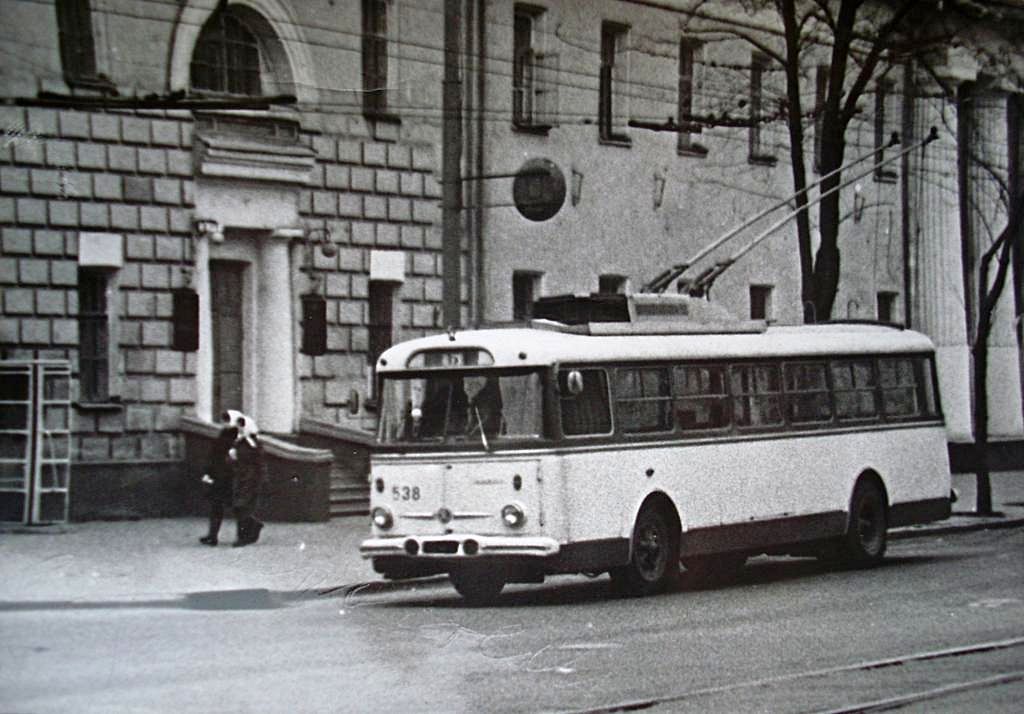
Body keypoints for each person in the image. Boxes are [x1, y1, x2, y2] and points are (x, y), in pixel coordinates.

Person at [198, 410, 265, 547]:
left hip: (233, 477)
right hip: (221, 476)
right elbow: (214, 456)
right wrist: (209, 472)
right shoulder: (225, 435)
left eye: (228, 419)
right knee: (217, 505)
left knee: (238, 507)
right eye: (224, 419)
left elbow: (254, 460)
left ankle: (247, 531)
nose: (225, 422)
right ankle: (213, 536)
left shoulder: (242, 437)